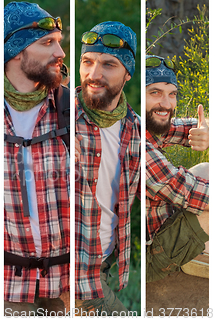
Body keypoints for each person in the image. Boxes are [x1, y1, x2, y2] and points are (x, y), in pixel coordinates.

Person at [2, 2, 69, 315]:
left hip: (72, 285)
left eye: (59, 41)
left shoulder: (72, 106)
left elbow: (137, 129)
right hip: (10, 289)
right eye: (47, 43)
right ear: (16, 52)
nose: (61, 52)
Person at [74, 21, 141, 315]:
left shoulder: (133, 125)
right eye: (87, 62)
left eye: (109, 64)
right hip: (69, 272)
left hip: (102, 262)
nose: (94, 74)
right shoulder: (57, 112)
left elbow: (169, 129)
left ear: (127, 73)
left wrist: (199, 133)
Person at [144, 55, 209, 281]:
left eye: (172, 94)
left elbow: (184, 126)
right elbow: (188, 191)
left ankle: (197, 251)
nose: (167, 103)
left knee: (206, 169)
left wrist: (205, 130)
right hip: (151, 255)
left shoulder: (144, 124)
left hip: (161, 223)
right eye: (155, 93)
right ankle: (195, 258)